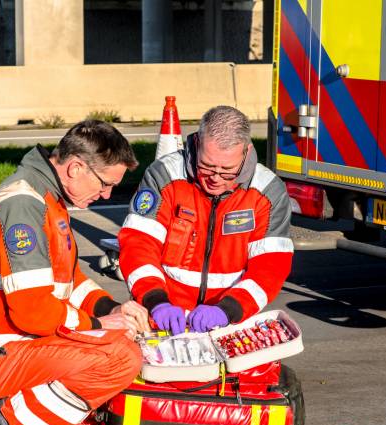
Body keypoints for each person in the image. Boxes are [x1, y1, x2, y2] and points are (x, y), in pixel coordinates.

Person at [0, 120, 149, 425]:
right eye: (106, 185)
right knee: (120, 359)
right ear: (75, 168)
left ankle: (32, 413)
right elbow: (32, 312)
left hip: (17, 346)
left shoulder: (46, 197)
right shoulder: (24, 205)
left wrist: (112, 308)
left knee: (124, 342)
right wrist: (100, 325)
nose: (105, 197)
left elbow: (71, 280)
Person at [118, 105, 294, 335]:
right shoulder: (165, 175)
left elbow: (271, 266)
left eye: (228, 171)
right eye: (207, 167)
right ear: (198, 144)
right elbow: (139, 244)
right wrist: (155, 301)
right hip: (161, 313)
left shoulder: (268, 192)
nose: (216, 179)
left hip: (229, 319)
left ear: (246, 152)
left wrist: (229, 310)